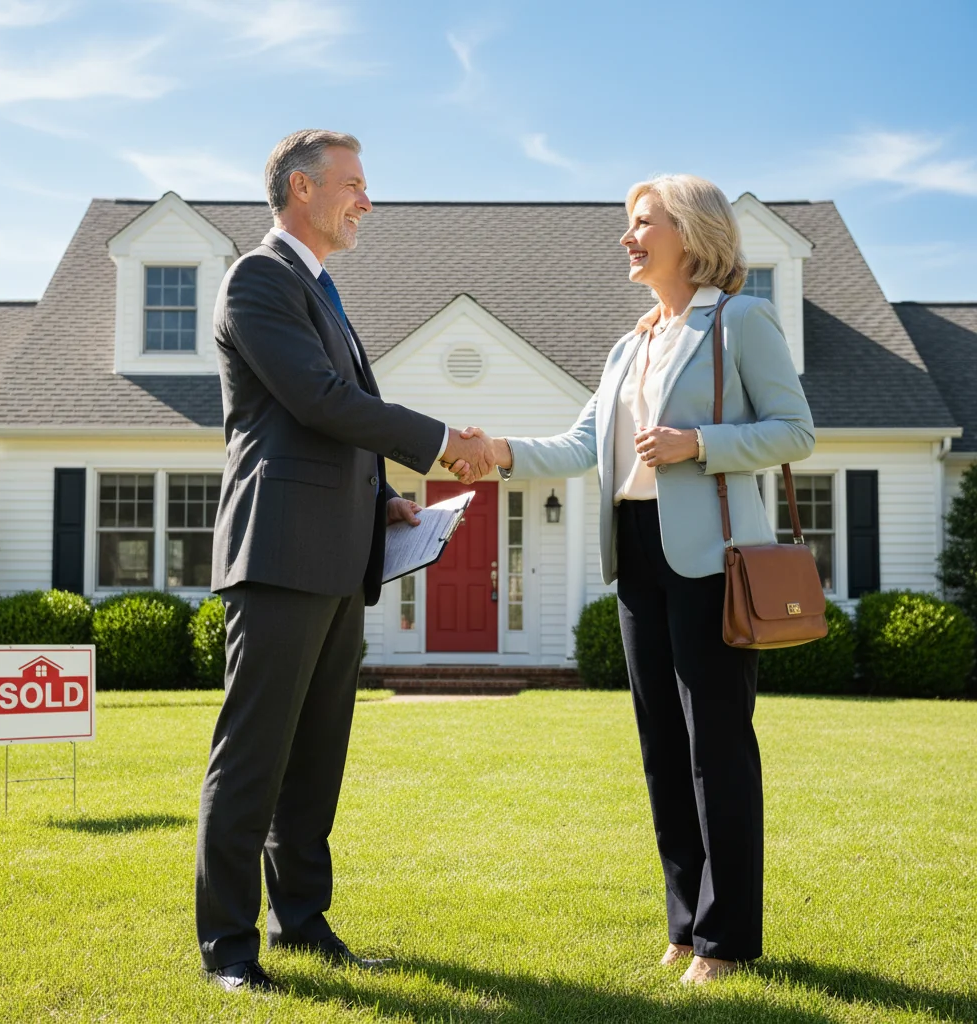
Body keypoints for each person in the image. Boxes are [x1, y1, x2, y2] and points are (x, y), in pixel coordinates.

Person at [450, 175, 814, 984]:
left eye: (643, 222)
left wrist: (699, 444)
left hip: (714, 557)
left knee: (716, 745)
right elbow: (583, 448)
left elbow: (796, 430)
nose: (628, 236)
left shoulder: (742, 321)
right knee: (661, 749)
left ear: (690, 233)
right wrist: (499, 450)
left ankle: (726, 941)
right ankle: (685, 928)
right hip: (637, 555)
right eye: (629, 223)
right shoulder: (631, 343)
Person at [197, 129, 492, 993]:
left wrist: (383, 502)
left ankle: (302, 922)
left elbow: (334, 425)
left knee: (316, 758)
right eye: (355, 184)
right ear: (299, 188)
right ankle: (228, 949)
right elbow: (320, 402)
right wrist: (442, 445)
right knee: (253, 756)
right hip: (279, 553)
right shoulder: (259, 278)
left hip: (336, 555)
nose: (369, 201)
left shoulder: (322, 291)